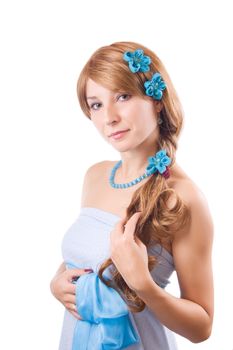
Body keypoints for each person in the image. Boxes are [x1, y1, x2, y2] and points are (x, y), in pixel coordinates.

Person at [50, 41, 214, 350]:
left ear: (156, 100)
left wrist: (144, 286)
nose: (108, 117)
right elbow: (89, 256)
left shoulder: (182, 197)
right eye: (95, 104)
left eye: (122, 97)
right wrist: (57, 284)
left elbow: (202, 326)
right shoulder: (95, 175)